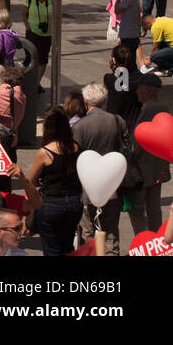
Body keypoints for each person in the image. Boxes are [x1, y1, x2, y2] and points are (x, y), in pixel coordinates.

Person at [71, 83, 127, 256]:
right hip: (113, 185)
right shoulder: (118, 121)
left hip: (86, 187)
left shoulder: (79, 127)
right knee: (110, 232)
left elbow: (73, 158)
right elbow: (127, 150)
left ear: (86, 102)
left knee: (87, 230)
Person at [27, 105, 83, 256]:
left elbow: (30, 181)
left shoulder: (45, 152)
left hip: (51, 203)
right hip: (73, 202)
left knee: (51, 249)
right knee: (67, 247)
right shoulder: (76, 147)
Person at [129, 72, 170, 239]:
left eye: (139, 88)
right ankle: (157, 240)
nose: (137, 91)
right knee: (153, 208)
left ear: (148, 90)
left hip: (145, 170)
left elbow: (138, 142)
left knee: (137, 208)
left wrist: (128, 156)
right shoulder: (161, 108)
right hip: (157, 169)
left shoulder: (150, 109)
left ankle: (144, 239)